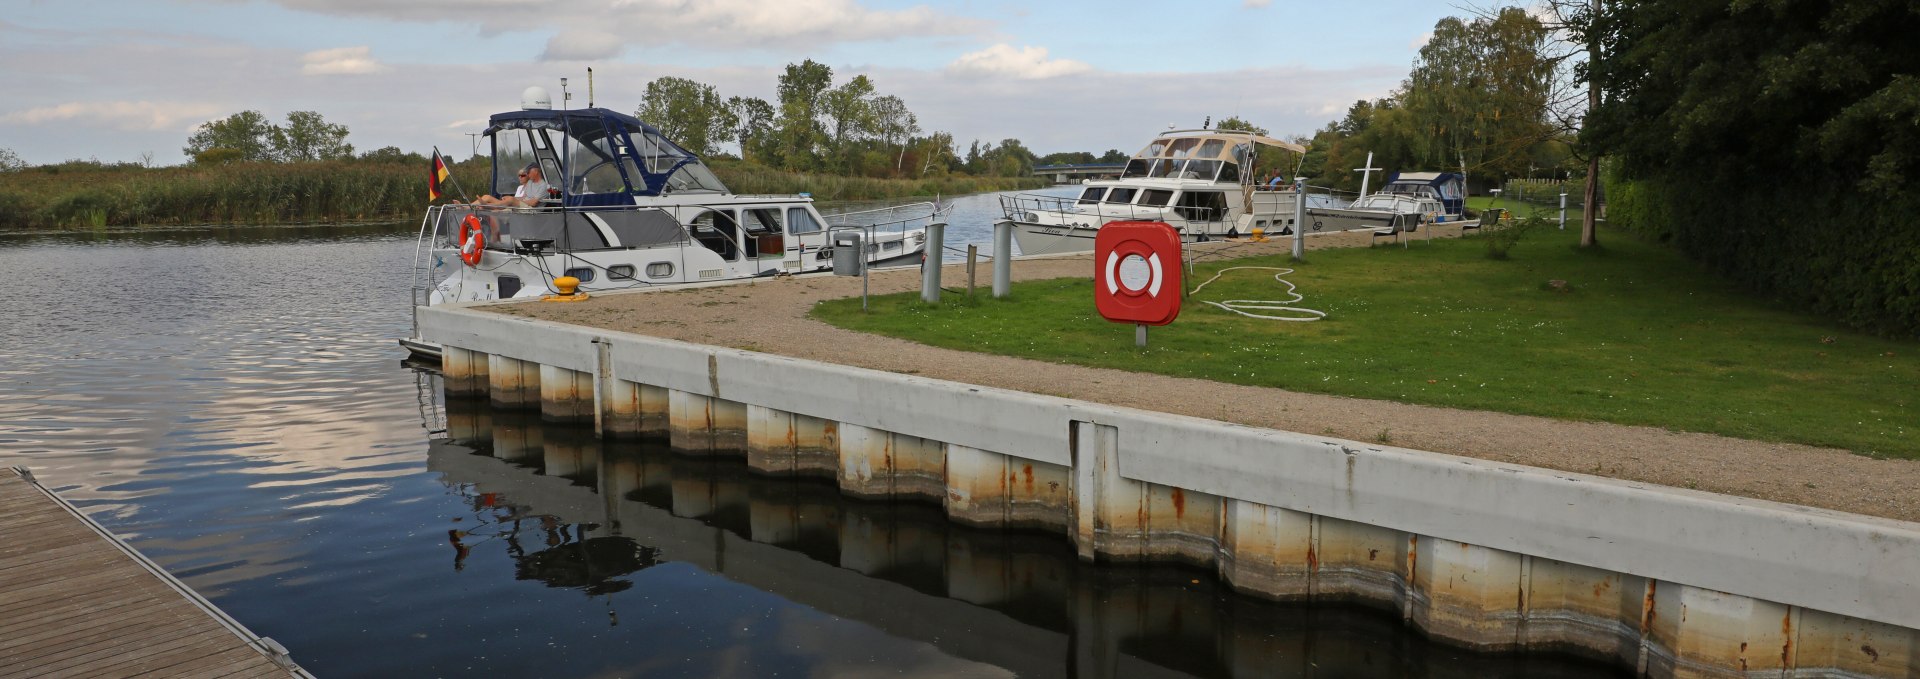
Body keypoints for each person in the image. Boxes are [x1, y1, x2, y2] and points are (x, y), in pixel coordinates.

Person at [471, 163, 549, 207]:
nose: (527, 174)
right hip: (524, 206)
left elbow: (533, 203)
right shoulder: (530, 182)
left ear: (536, 172)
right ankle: (467, 207)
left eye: (528, 172)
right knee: (487, 197)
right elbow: (523, 197)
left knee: (510, 201)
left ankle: (488, 206)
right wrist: (512, 198)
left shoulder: (543, 186)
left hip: (531, 209)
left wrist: (514, 201)